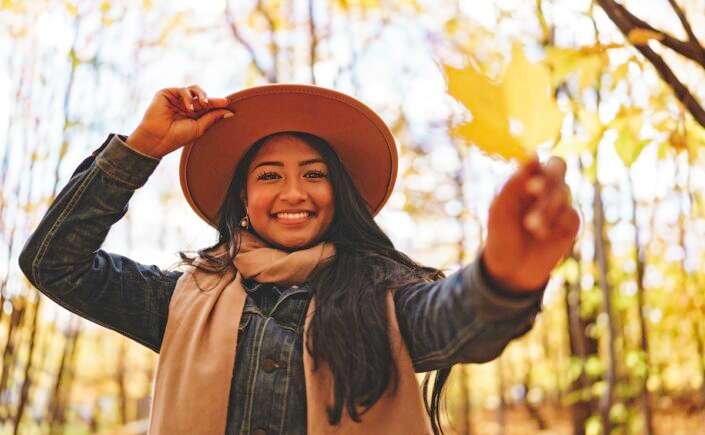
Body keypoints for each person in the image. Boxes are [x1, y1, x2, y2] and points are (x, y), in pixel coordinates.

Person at [18, 84, 580, 435]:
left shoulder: (384, 299)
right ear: (242, 201)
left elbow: (459, 320)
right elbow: (54, 263)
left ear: (339, 195)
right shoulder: (178, 301)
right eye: (270, 176)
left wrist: (504, 274)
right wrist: (141, 146)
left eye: (315, 174)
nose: (294, 194)